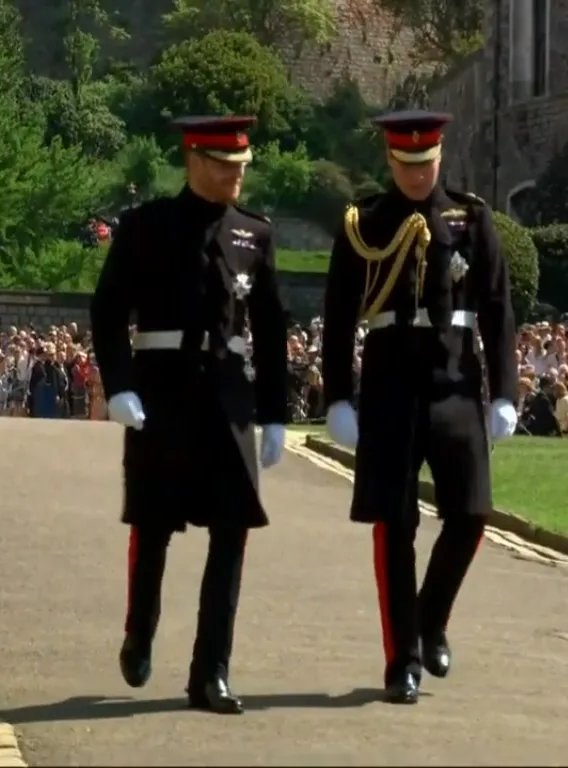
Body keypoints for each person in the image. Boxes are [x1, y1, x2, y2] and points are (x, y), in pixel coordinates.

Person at [88, 114, 289, 715]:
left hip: (228, 394)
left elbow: (273, 330)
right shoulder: (147, 226)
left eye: (241, 167)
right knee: (153, 525)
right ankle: (140, 630)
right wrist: (119, 384)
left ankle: (212, 671)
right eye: (225, 165)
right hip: (162, 389)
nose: (235, 176)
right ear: (194, 160)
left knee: (232, 533)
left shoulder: (254, 234)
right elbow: (107, 310)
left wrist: (275, 413)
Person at [319, 110, 517, 705]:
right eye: (405, 164)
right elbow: (336, 317)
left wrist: (504, 391)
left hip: (454, 379)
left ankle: (430, 619)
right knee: (394, 526)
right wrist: (337, 397)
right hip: (390, 384)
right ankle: (401, 659)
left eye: (424, 163)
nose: (414, 173)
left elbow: (497, 310)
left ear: (439, 157)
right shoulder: (366, 223)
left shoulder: (472, 218)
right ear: (389, 160)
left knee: (472, 514)